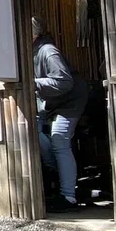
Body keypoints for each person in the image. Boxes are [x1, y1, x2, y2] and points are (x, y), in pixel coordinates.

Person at [32, 18, 89, 211]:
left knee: (59, 139)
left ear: (34, 34)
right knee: (33, 131)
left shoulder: (48, 51)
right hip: (51, 103)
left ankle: (68, 196)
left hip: (70, 101)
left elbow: (64, 81)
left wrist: (34, 83)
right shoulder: (31, 51)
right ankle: (56, 170)